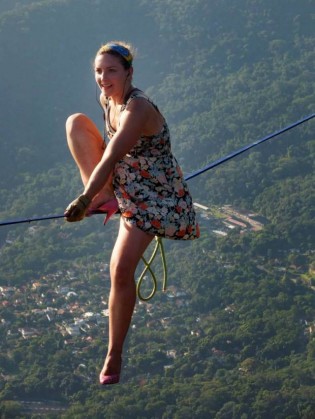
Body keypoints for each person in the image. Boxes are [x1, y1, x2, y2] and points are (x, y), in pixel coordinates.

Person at [64, 41, 199, 385]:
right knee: (75, 123)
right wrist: (99, 191)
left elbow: (111, 157)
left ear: (128, 73)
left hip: (157, 198)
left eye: (111, 71)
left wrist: (84, 198)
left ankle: (115, 353)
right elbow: (107, 151)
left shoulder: (137, 108)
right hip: (126, 185)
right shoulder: (107, 99)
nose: (103, 78)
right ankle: (104, 197)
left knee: (120, 271)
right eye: (98, 71)